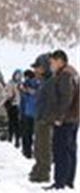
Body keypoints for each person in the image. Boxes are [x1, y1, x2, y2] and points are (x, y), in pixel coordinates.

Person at [45, 50, 79, 190]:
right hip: (74, 117)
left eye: (52, 62)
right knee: (70, 150)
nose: (51, 65)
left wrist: (59, 117)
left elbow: (66, 98)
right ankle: (68, 181)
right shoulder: (73, 72)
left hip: (65, 119)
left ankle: (60, 183)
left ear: (59, 61)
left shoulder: (65, 75)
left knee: (61, 151)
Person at [28, 53, 56, 183]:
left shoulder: (50, 82)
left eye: (37, 67)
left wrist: (46, 118)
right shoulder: (44, 82)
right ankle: (38, 169)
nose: (35, 70)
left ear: (45, 67)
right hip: (39, 118)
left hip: (45, 120)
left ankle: (43, 173)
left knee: (44, 147)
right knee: (38, 146)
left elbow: (52, 102)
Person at [19, 69, 39, 159]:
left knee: (27, 134)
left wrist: (24, 91)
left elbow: (24, 99)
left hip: (27, 113)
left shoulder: (27, 84)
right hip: (36, 113)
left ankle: (27, 152)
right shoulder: (39, 83)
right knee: (36, 135)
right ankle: (34, 152)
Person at [4, 69, 23, 147]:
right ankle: (10, 137)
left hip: (19, 105)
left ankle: (17, 140)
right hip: (12, 105)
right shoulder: (10, 83)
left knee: (17, 124)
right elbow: (7, 93)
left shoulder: (21, 84)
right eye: (17, 74)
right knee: (11, 122)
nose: (18, 76)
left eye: (20, 75)